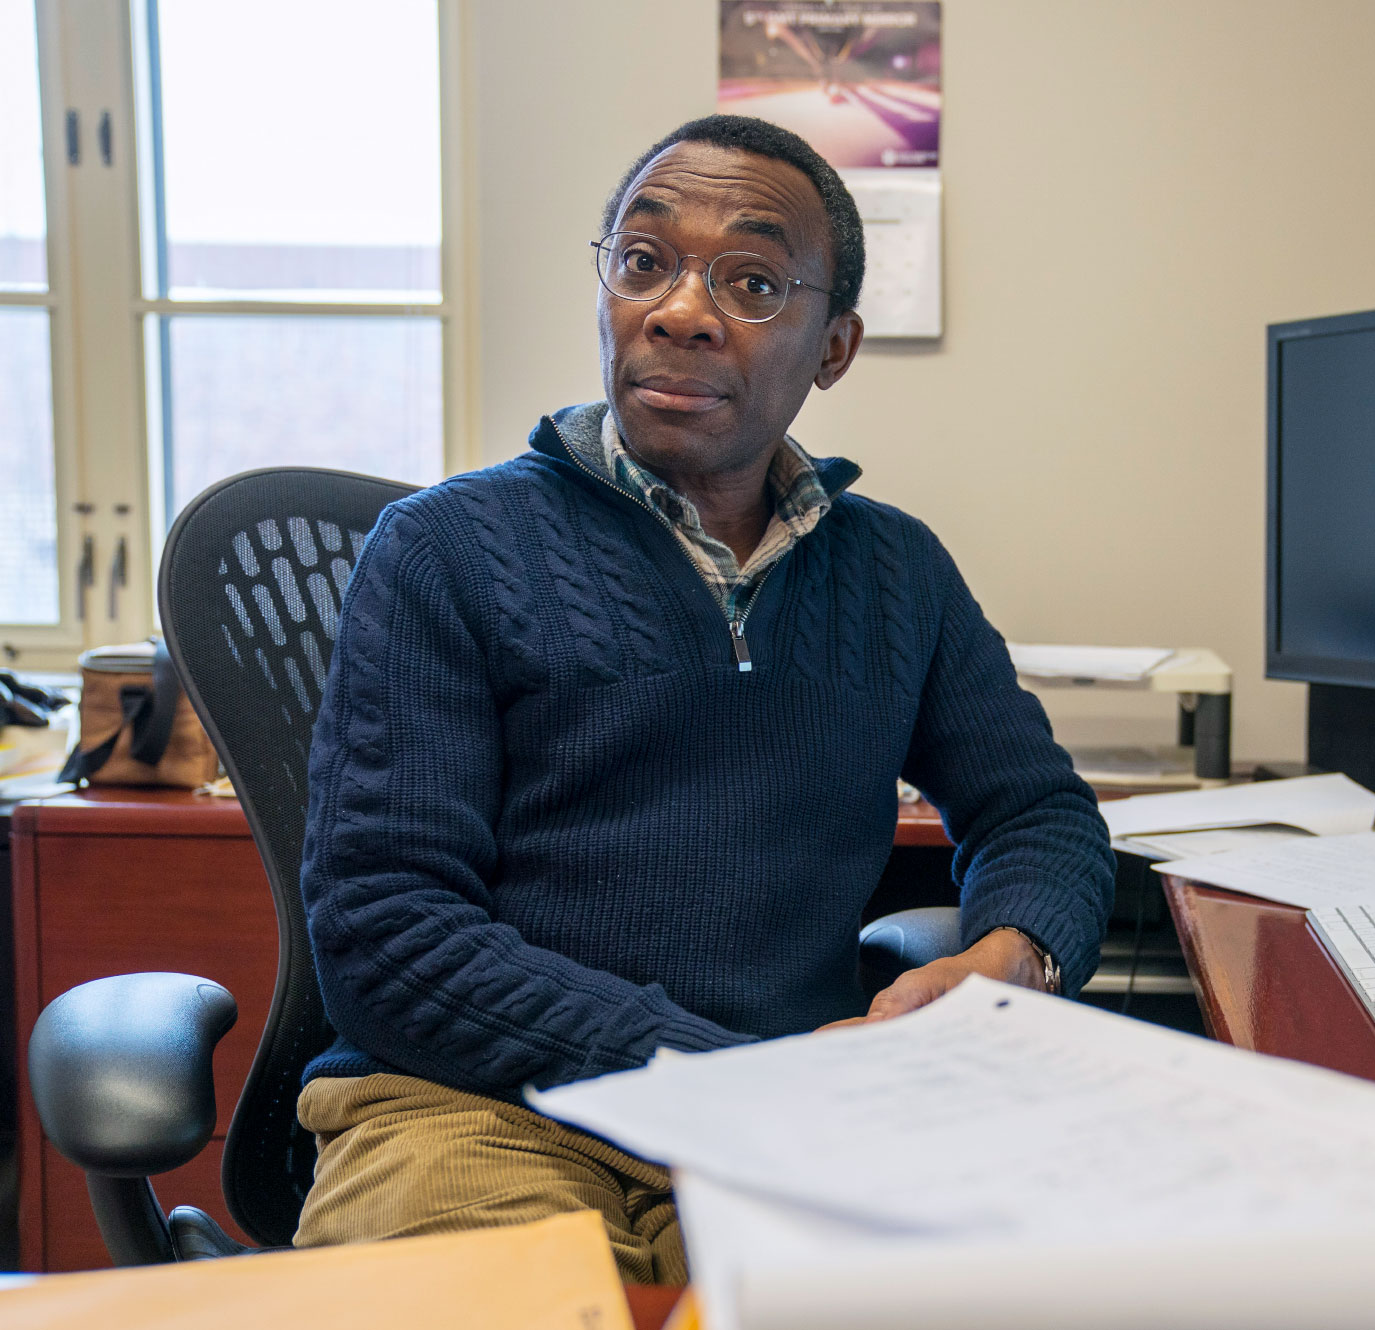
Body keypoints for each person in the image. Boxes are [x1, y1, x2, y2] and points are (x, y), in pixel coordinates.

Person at [289, 114, 1116, 1283]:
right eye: (642, 261)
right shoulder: (444, 550)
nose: (678, 309)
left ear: (833, 347)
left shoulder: (895, 570)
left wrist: (1012, 957)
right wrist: (710, 1071)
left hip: (784, 1127)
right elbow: (386, 933)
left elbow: (1036, 810)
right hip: (471, 1107)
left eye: (751, 281)